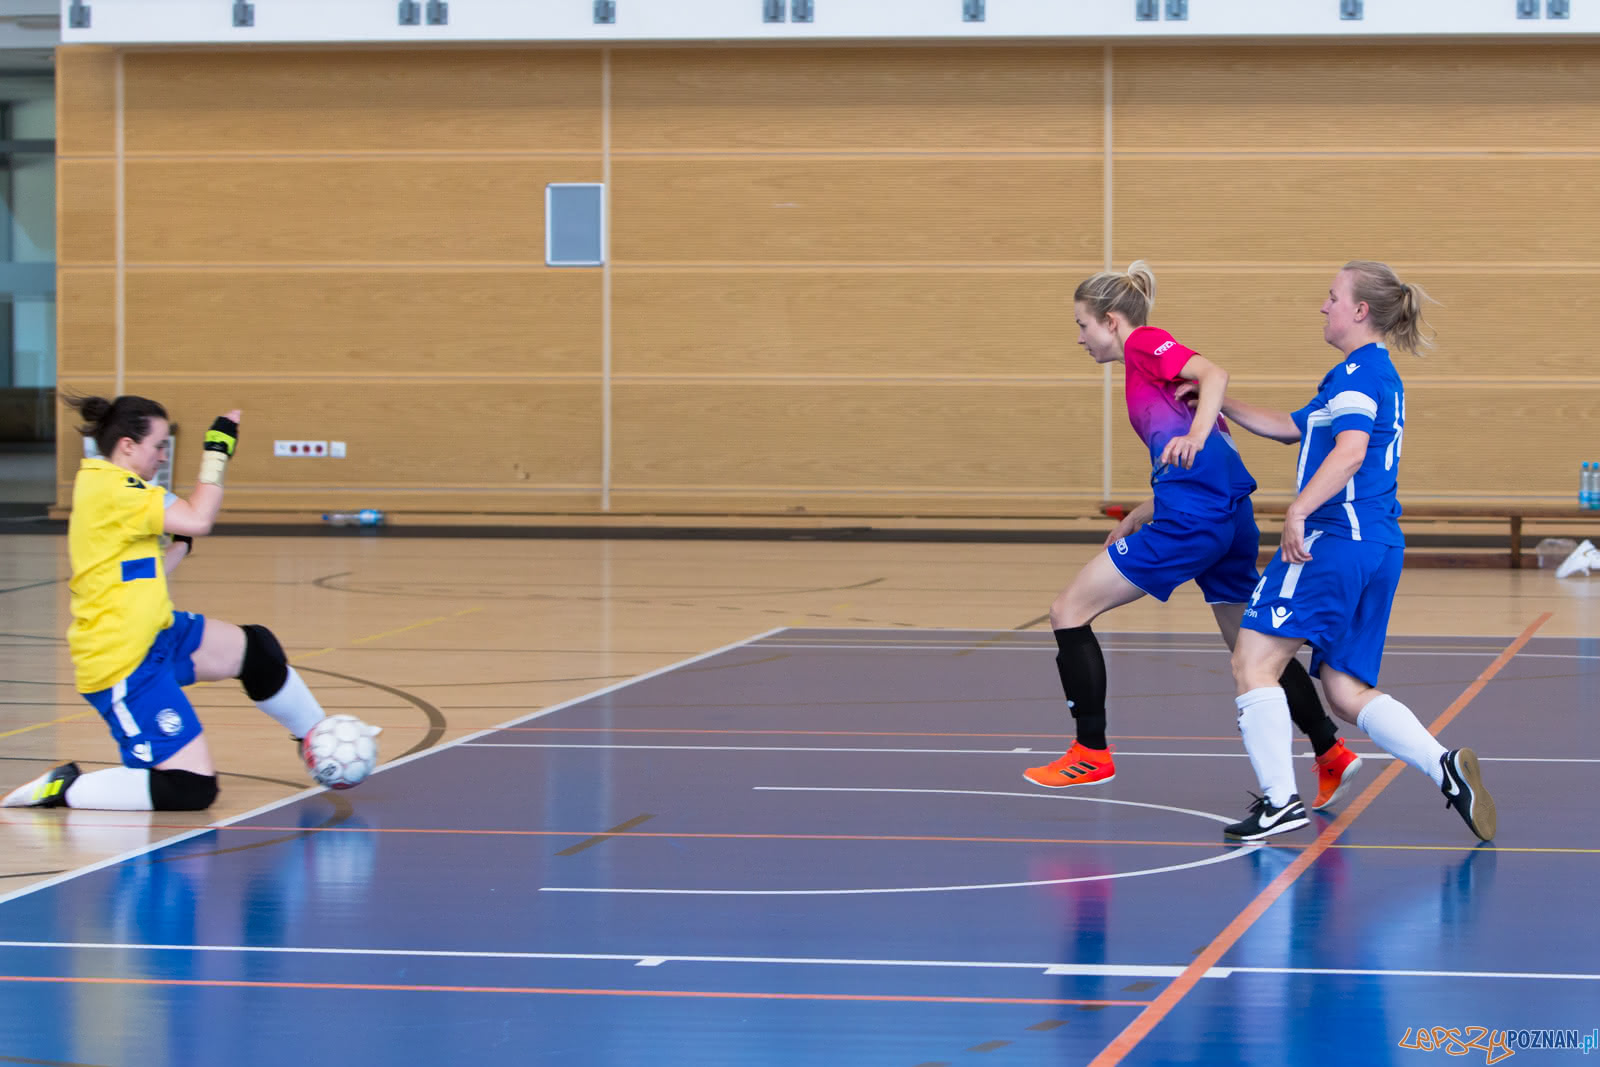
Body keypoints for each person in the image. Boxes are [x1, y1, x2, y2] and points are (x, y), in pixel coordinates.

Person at [1024, 262, 1362, 812]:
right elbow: (1200, 462)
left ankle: (1090, 750)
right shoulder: (1149, 373)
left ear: (1111, 320)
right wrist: (1144, 508)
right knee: (1251, 650)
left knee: (1068, 611)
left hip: (1194, 524)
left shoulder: (1145, 345)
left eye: (1083, 325)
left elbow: (1216, 376)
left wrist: (1200, 431)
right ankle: (1330, 749)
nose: (1079, 337)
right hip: (1226, 520)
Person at [1218, 260, 1494, 842]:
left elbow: (1348, 451)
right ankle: (1444, 767)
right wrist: (1221, 404)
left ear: (1360, 310)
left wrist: (1296, 510)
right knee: (1344, 689)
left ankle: (1279, 802)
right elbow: (1291, 426)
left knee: (1254, 661)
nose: (1323, 306)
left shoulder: (1357, 377)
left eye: (1332, 296)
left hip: (1335, 542)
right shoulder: (1367, 374)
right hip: (1378, 545)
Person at [2, 395, 330, 811]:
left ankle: (317, 739)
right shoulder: (114, 489)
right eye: (158, 446)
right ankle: (65, 788)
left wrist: (178, 551)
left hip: (157, 632)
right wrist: (217, 450)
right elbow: (198, 519)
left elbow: (137, 566)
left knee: (257, 649)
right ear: (127, 446)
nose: (162, 456)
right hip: (122, 659)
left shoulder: (120, 486)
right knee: (191, 789)